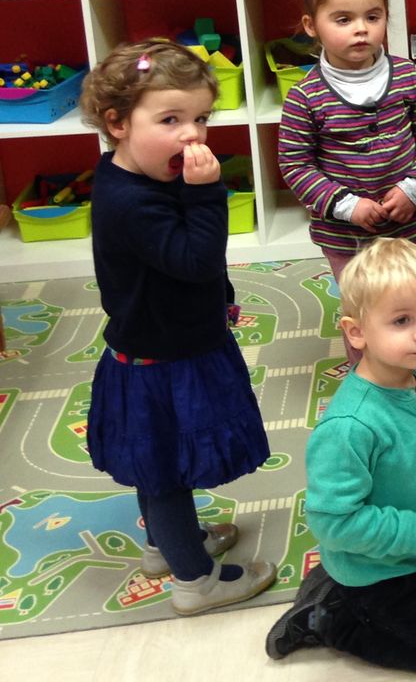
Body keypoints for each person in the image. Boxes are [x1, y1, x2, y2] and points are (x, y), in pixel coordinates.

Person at [79, 40, 274, 615]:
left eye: (200, 118)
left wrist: (221, 299)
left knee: (157, 463)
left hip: (162, 343)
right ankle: (196, 581)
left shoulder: (129, 175)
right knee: (165, 473)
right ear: (117, 124)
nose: (192, 135)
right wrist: (207, 193)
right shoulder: (134, 202)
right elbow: (196, 259)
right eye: (170, 120)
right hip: (165, 362)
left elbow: (186, 268)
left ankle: (166, 545)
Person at [267, 239, 416, 679]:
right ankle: (328, 618)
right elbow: (333, 521)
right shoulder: (350, 426)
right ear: (356, 332)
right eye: (402, 320)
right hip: (378, 570)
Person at [278, 0, 416, 296]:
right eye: (343, 19)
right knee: (364, 305)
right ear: (311, 26)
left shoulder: (408, 75)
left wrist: (415, 187)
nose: (361, 29)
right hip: (345, 235)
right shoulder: (304, 96)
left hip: (410, 221)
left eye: (373, 17)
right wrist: (347, 205)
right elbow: (296, 165)